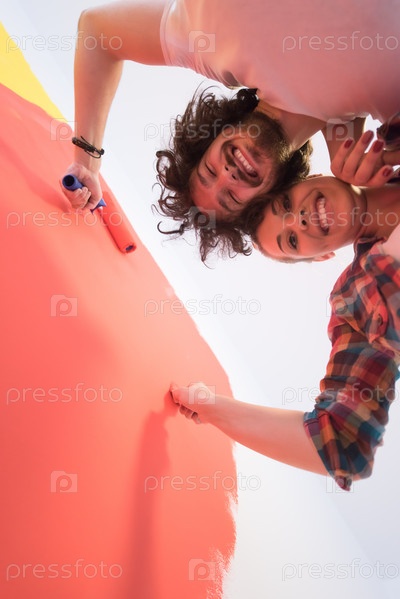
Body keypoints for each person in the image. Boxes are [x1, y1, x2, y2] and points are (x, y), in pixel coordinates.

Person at [62, 0, 400, 258]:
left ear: (211, 136)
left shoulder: (210, 42)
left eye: (209, 172)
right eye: (232, 197)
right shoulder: (381, 110)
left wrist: (87, 161)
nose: (227, 175)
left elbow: (98, 33)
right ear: (275, 193)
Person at [170, 174, 400, 490]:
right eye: (291, 241)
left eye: (286, 203)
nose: (298, 220)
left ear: (314, 177)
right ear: (321, 257)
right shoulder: (357, 298)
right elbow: (342, 445)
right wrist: (211, 406)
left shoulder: (385, 151)